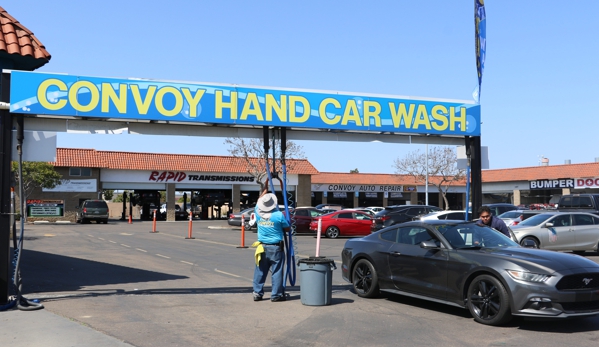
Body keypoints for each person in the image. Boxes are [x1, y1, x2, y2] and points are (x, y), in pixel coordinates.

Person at [252, 188, 290, 302]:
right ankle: (276, 295)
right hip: (276, 247)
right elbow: (287, 229)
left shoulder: (257, 212)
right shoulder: (278, 215)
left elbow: (259, 200)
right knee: (277, 272)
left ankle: (257, 293)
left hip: (262, 247)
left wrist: (266, 186)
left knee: (260, 271)